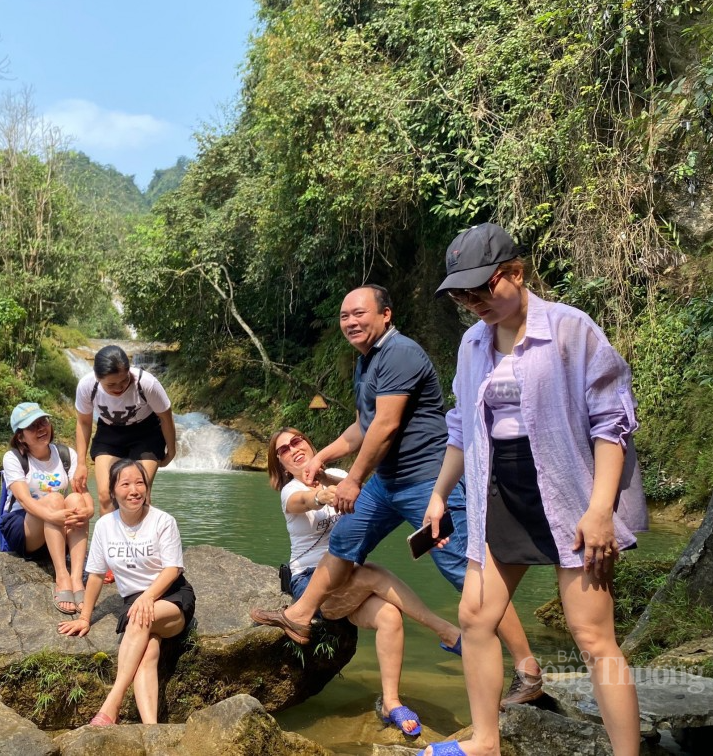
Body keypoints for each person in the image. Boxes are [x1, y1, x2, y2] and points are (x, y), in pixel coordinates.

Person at [251, 285, 543, 707]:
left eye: (359, 313)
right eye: (344, 315)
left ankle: (527, 668)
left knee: (466, 571)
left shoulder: (400, 354)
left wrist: (351, 480)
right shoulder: (365, 362)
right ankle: (298, 616)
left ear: (385, 315)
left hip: (426, 479)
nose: (350, 321)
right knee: (345, 540)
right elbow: (362, 426)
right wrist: (325, 457)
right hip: (387, 482)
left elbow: (386, 427)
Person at [417, 223, 648, 756]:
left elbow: (611, 424)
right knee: (476, 618)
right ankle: (485, 741)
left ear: (515, 274)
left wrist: (599, 510)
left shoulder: (571, 329)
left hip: (570, 489)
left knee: (591, 635)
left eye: (481, 290)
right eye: (461, 296)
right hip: (501, 490)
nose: (473, 303)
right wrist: (438, 494)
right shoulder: (472, 344)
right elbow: (461, 430)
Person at [269, 427, 463, 738]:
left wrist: (333, 480)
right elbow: (305, 501)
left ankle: (390, 702)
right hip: (312, 584)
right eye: (283, 450)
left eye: (297, 441)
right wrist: (321, 494)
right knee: (370, 571)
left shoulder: (333, 471)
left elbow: (367, 498)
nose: (293, 450)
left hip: (349, 583)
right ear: (280, 463)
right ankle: (447, 631)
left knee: (389, 616)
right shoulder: (288, 491)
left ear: (309, 443)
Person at [57, 458, 195, 726]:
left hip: (170, 597)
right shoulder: (106, 526)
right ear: (112, 490)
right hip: (136, 602)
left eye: (140, 483)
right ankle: (151, 729)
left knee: (140, 617)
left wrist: (147, 597)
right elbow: (96, 574)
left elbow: (172, 569)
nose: (134, 490)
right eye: (126, 484)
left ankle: (111, 705)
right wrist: (85, 617)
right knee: (148, 652)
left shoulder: (163, 521)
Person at [0, 402, 95, 615]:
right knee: (54, 499)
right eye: (32, 426)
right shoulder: (13, 458)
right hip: (23, 527)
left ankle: (77, 579)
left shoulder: (65, 454)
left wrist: (89, 510)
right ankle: (62, 577)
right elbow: (24, 500)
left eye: (43, 421)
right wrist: (53, 514)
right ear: (21, 437)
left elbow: (83, 491)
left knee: (76, 500)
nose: (41, 428)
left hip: (57, 528)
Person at [73, 345, 176, 518]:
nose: (119, 388)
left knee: (138, 495)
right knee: (106, 495)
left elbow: (165, 417)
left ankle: (141, 543)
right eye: (111, 384)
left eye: (124, 381)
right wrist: (81, 463)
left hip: (146, 433)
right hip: (109, 433)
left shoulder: (147, 383)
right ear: (98, 378)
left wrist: (171, 451)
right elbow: (84, 423)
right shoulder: (87, 386)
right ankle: (109, 543)